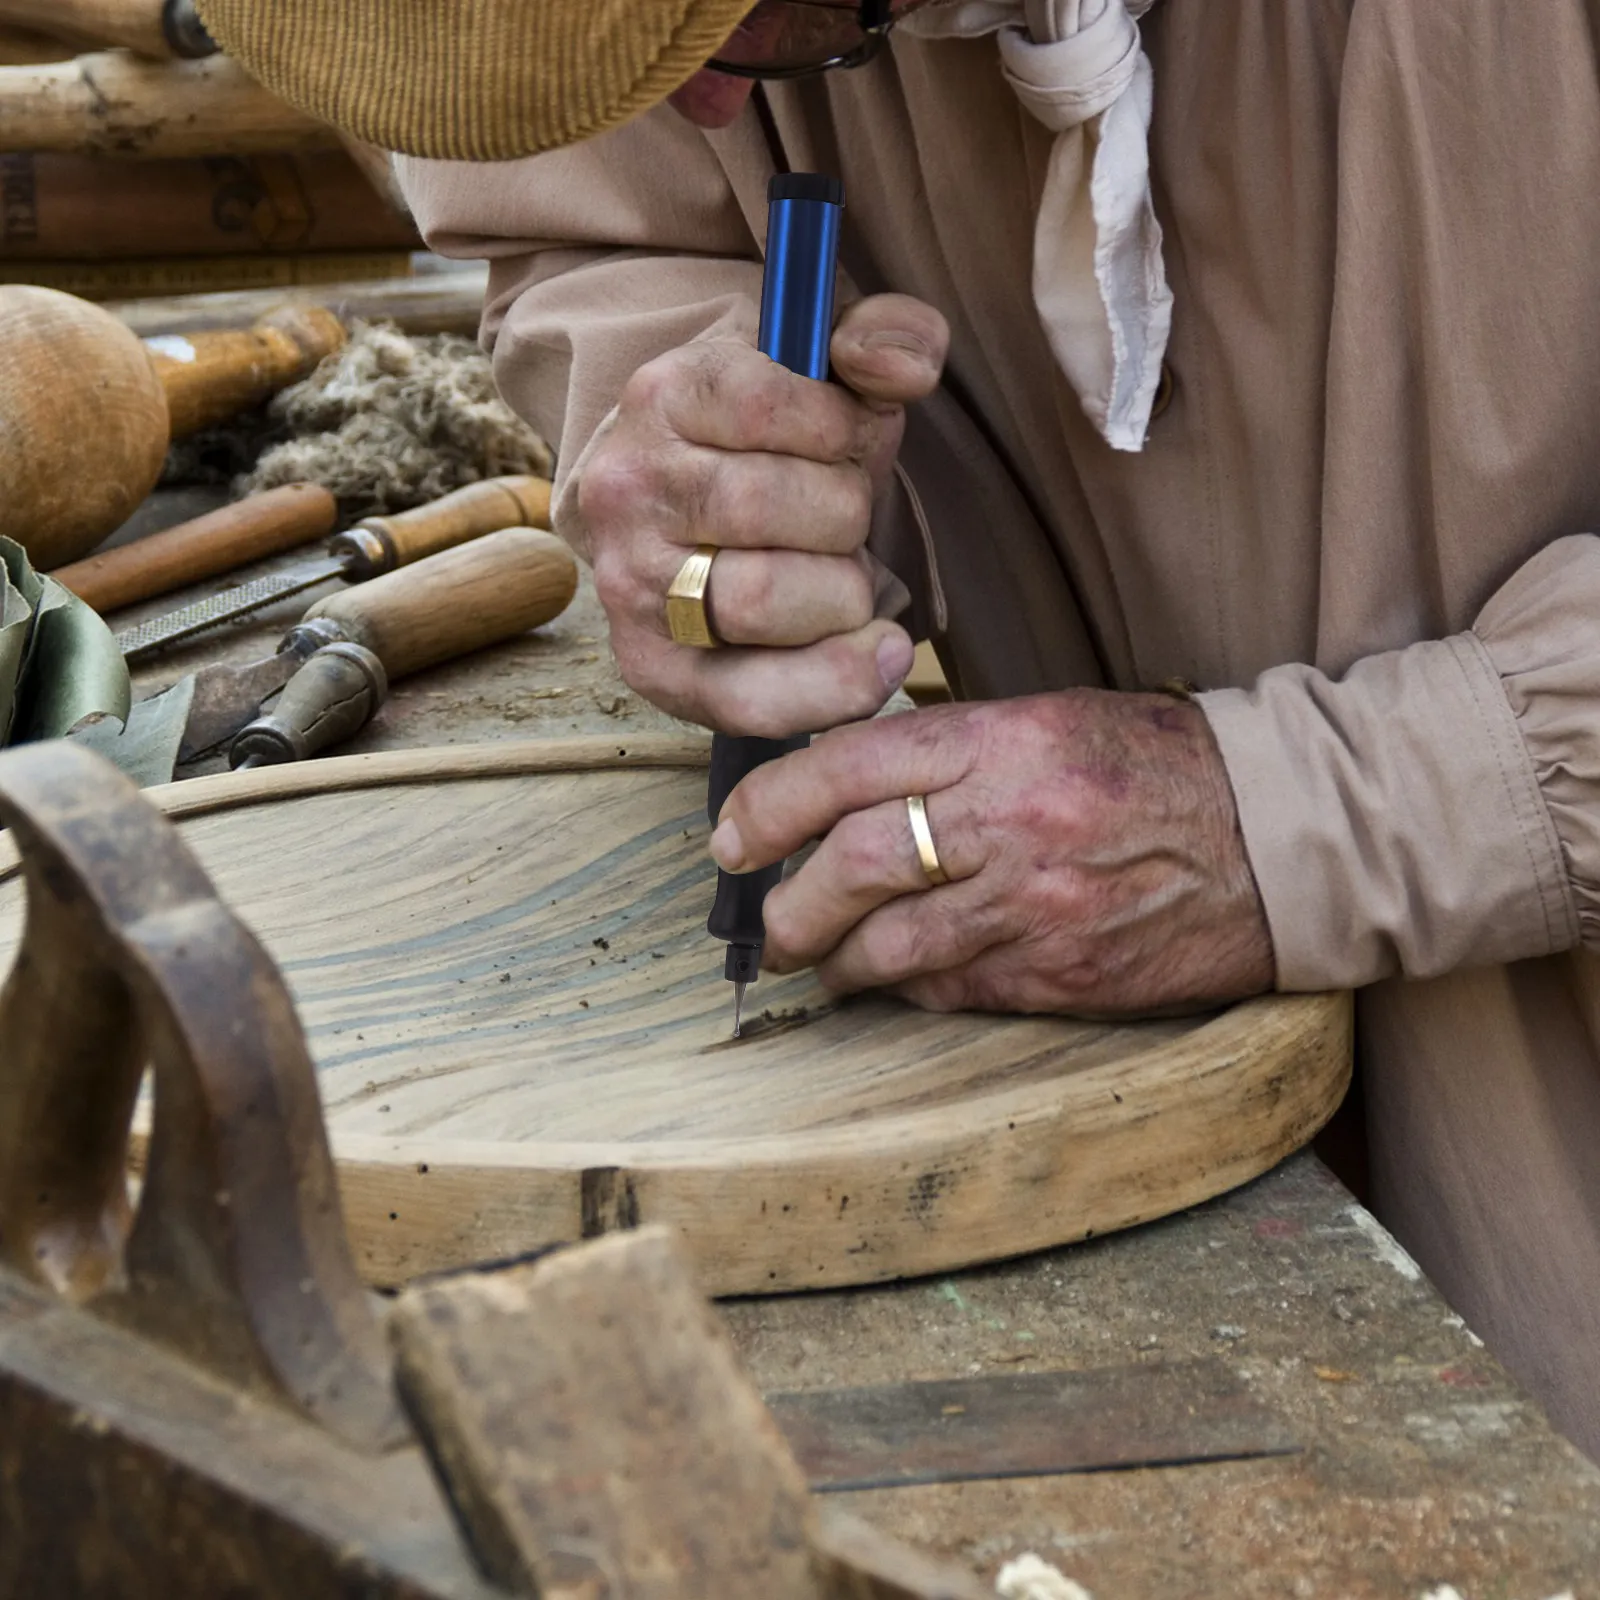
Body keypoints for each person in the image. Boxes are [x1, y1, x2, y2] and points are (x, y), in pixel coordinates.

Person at [197, 0, 1600, 1459]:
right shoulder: (684, 72)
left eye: (729, 14)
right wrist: (704, 441)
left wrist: (1317, 812)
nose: (700, 111)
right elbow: (595, 229)